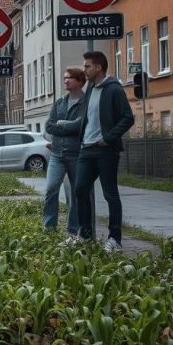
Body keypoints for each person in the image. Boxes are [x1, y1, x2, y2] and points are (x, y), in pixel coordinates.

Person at [72, 50, 134, 252]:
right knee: (80, 189)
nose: (85, 70)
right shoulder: (90, 88)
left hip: (106, 151)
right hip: (87, 149)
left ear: (99, 67)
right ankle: (86, 234)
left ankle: (114, 239)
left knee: (110, 194)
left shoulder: (114, 89)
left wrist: (108, 138)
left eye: (88, 66)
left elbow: (127, 118)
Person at [42, 67, 92, 237]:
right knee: (51, 188)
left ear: (79, 81)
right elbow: (49, 126)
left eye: (69, 78)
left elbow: (81, 125)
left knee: (77, 193)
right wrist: (67, 125)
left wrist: (61, 124)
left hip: (77, 155)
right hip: (57, 154)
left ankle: (73, 229)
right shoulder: (60, 102)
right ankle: (49, 228)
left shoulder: (86, 101)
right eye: (64, 77)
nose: (65, 81)